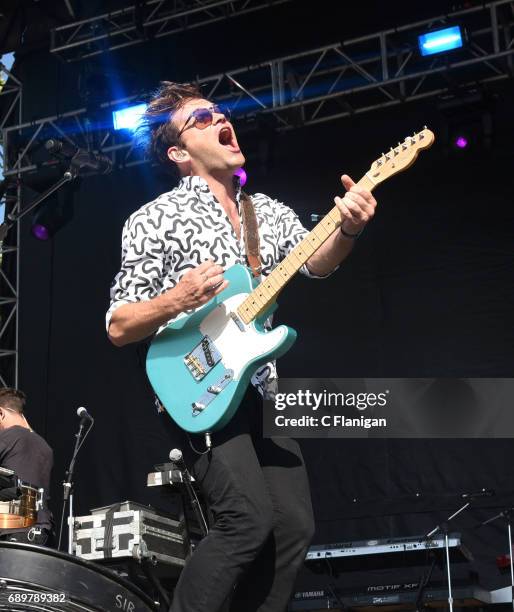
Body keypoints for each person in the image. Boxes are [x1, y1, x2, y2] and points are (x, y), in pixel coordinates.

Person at [106, 81, 377, 612]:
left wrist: (347, 230)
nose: (219, 118)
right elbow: (119, 325)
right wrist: (177, 298)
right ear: (178, 153)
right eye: (201, 118)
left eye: (219, 112)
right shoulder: (153, 219)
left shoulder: (267, 213)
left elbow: (316, 262)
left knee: (294, 526)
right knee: (246, 520)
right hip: (198, 386)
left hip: (260, 383)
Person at [0, 387, 54, 545]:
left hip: (13, 530)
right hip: (42, 531)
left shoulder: (8, 437)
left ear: (1, 413)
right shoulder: (45, 447)